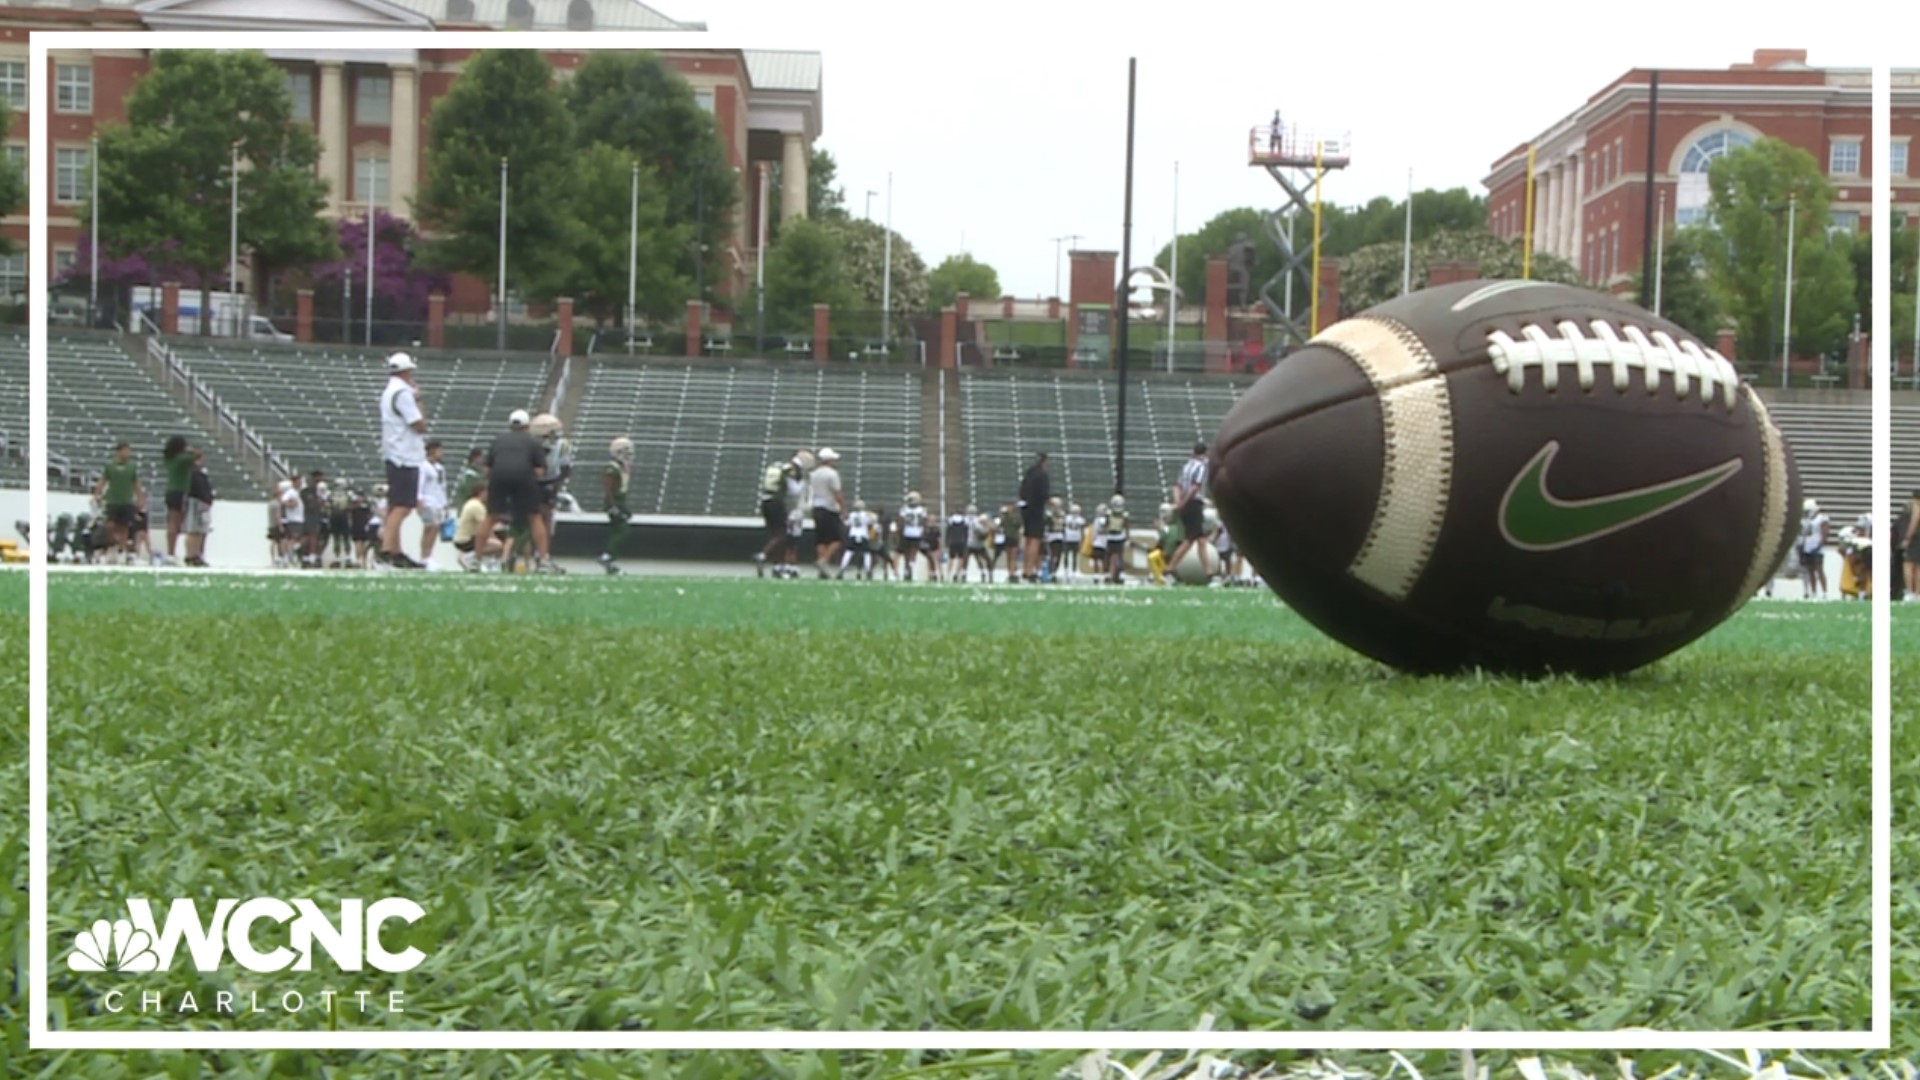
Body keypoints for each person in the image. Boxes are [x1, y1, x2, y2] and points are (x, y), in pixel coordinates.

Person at [479, 409, 555, 573]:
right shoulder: (532, 442)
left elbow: (486, 470)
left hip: (498, 475)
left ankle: (475, 559)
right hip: (524, 477)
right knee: (535, 518)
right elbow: (540, 471)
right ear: (527, 427)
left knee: (490, 517)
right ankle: (543, 560)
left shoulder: (498, 440)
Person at [378, 352, 429, 568]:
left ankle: (395, 551)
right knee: (403, 506)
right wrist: (418, 399)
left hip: (394, 452)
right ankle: (386, 550)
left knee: (396, 505)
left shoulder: (389, 392)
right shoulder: (403, 393)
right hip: (405, 455)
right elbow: (419, 424)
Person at [1167, 441, 1215, 583]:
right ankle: (1170, 568)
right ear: (1205, 453)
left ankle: (1209, 573)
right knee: (1190, 539)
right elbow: (1195, 487)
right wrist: (1184, 502)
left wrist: (1178, 503)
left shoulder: (1186, 466)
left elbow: (1177, 486)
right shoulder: (1201, 467)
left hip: (1186, 504)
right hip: (1193, 503)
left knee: (1200, 539)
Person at [92, 442, 143, 563]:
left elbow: (136, 483)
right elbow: (103, 481)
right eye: (125, 450)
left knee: (124, 527)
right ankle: (111, 545)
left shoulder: (132, 467)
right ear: (118, 452)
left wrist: (140, 497)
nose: (127, 453)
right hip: (112, 500)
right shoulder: (110, 466)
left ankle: (121, 550)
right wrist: (97, 494)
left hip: (126, 500)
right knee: (110, 525)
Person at [809, 448, 848, 578]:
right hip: (829, 507)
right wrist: (844, 508)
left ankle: (822, 569)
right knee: (836, 539)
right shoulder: (832, 474)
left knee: (821, 539)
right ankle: (824, 560)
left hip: (816, 507)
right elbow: (837, 492)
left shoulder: (814, 474)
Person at [601, 436, 634, 575]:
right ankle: (607, 556)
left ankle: (610, 563)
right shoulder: (612, 468)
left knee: (618, 531)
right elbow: (608, 489)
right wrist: (613, 506)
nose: (628, 455)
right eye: (625, 451)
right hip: (614, 502)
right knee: (622, 531)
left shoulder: (622, 467)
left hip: (619, 501)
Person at [1019, 451, 1050, 584]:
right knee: (1035, 540)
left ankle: (1025, 569)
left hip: (1026, 509)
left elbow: (1021, 491)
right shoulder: (1042, 475)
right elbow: (1044, 494)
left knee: (1027, 540)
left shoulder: (1028, 474)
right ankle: (1031, 570)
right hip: (1037, 509)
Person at [161, 434, 193, 563]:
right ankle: (171, 553)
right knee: (175, 523)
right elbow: (197, 455)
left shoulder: (169, 459)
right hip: (180, 492)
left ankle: (170, 552)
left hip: (170, 491)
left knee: (172, 522)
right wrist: (190, 450)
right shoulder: (183, 459)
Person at [417, 439, 449, 570]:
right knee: (430, 527)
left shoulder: (440, 468)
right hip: (427, 500)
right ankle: (424, 556)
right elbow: (420, 483)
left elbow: (442, 487)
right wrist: (419, 499)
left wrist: (445, 503)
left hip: (437, 502)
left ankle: (429, 555)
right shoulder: (423, 466)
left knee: (435, 529)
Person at [183, 448, 213, 567]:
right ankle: (191, 554)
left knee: (199, 531)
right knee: (194, 531)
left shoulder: (197, 472)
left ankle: (196, 554)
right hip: (196, 502)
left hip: (200, 502)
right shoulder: (194, 473)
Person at [1798, 497, 1829, 599]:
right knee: (1810, 571)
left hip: (1817, 547)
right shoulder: (1807, 520)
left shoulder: (1822, 518)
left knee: (1819, 570)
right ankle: (1813, 592)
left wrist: (1818, 546)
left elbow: (1824, 534)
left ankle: (1825, 592)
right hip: (1807, 546)